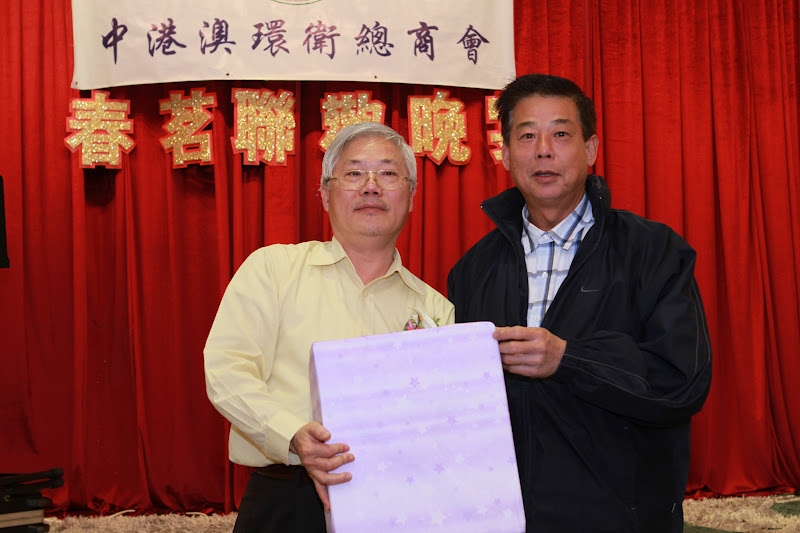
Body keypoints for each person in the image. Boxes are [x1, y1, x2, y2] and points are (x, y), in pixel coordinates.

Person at [447, 74, 712, 533]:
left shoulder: (653, 251)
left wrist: (569, 359)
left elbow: (681, 382)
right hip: (507, 516)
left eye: (561, 134)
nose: (543, 151)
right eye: (526, 136)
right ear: (505, 154)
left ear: (590, 149)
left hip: (623, 517)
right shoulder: (472, 270)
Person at [204, 122, 455, 533]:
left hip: (396, 499)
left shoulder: (436, 310)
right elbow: (226, 369)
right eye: (354, 173)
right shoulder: (274, 270)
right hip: (286, 498)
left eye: (388, 173)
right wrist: (293, 435)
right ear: (324, 194)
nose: (371, 187)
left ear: (411, 196)